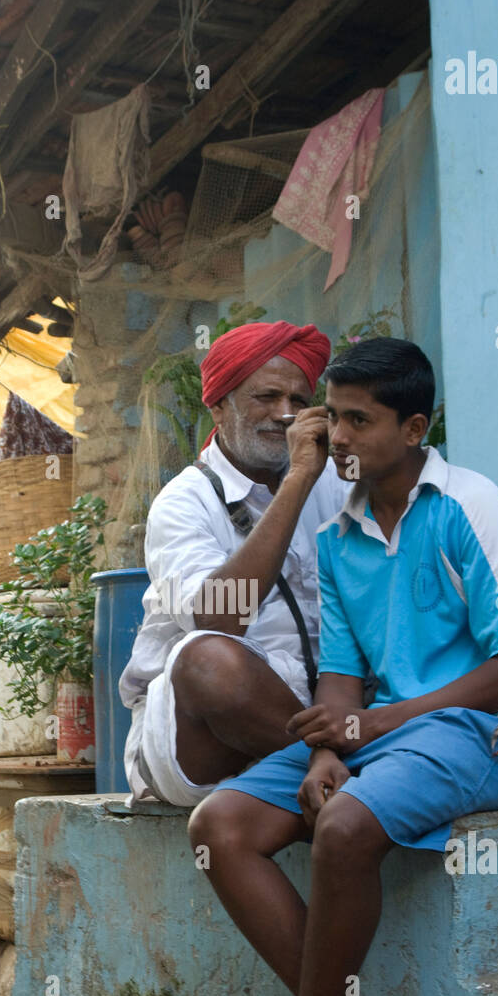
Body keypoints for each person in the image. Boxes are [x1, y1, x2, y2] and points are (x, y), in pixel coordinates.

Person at [188, 337, 498, 996]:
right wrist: (324, 746)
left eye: (359, 421)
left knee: (347, 827)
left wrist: (373, 724)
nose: (336, 439)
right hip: (385, 736)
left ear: (414, 426)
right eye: (334, 416)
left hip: (487, 732)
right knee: (223, 826)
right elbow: (342, 674)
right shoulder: (342, 531)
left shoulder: (471, 507)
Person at [119, 319, 346, 808]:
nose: (285, 415)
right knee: (208, 659)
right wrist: (298, 482)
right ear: (219, 406)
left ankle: (330, 761)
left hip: (324, 710)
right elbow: (220, 618)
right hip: (204, 739)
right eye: (265, 397)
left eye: (300, 401)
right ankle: (332, 765)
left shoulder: (338, 485)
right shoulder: (183, 502)